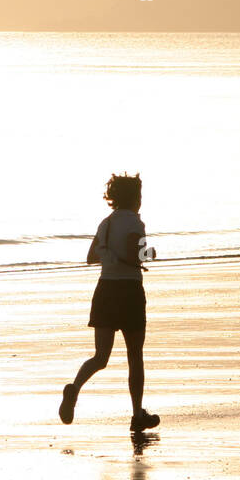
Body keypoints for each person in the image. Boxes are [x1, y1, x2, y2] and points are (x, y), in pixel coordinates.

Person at [58, 172, 160, 432]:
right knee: (135, 356)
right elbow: (134, 252)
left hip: (105, 290)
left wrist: (110, 255)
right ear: (135, 198)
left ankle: (74, 388)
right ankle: (137, 414)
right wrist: (149, 253)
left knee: (100, 357)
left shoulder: (105, 223)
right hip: (129, 291)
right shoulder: (135, 223)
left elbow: (91, 256)